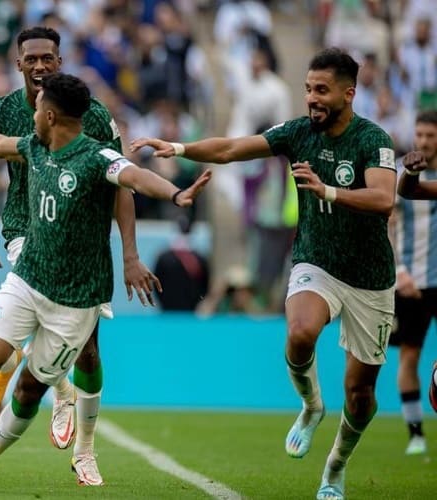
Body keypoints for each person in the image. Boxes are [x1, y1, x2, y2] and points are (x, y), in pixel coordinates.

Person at [131, 47, 396, 500]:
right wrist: (180, 148)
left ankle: (335, 469)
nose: (312, 98)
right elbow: (232, 148)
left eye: (322, 90)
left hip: (370, 278)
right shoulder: (297, 132)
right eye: (308, 89)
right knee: (300, 332)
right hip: (316, 260)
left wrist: (329, 191)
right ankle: (311, 406)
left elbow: (384, 198)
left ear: (348, 94)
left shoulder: (373, 140)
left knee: (360, 394)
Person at [0, 72, 211, 493]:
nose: (33, 114)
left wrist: (175, 194)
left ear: (49, 115)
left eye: (38, 108)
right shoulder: (35, 146)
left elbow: (135, 177)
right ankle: (26, 360)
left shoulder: (97, 158)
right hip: (29, 280)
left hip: (76, 302)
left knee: (29, 390)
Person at [0, 27, 161, 483]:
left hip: (83, 247)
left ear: (59, 62)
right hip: (25, 232)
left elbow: (122, 184)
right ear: (18, 63)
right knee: (43, 311)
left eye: (48, 58)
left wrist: (129, 254)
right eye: (31, 58)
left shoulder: (91, 115)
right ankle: (56, 387)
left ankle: (85, 450)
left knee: (90, 353)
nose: (39, 65)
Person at [389, 110, 437, 456]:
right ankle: (416, 434)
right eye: (419, 134)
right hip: (411, 282)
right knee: (409, 356)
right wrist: (399, 271)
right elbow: (387, 224)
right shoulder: (398, 173)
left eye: (430, 135)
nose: (423, 141)